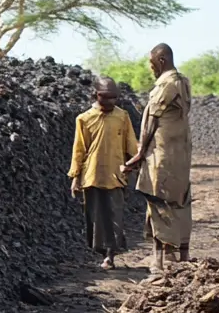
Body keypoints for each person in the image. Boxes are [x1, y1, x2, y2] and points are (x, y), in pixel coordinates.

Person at [123, 43, 193, 273]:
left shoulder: (167, 84)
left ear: (161, 60)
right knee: (180, 200)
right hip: (179, 153)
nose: (151, 68)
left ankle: (161, 262)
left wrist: (140, 153)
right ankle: (181, 256)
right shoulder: (184, 81)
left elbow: (151, 121)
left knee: (158, 202)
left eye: (152, 64)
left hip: (161, 155)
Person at [68, 76, 139, 269]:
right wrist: (75, 177)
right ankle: (101, 251)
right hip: (91, 175)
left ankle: (110, 255)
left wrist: (135, 164)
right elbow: (79, 149)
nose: (109, 102)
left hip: (116, 176)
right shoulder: (84, 119)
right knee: (96, 216)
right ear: (95, 95)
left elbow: (131, 144)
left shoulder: (122, 117)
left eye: (113, 98)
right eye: (104, 97)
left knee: (115, 215)